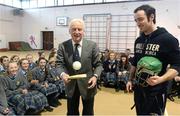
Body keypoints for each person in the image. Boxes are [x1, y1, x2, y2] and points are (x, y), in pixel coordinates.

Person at [126, 4, 180, 115]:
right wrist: (130, 80)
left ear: (151, 17)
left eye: (140, 19)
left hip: (157, 92)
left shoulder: (168, 39)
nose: (138, 23)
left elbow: (177, 66)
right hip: (139, 91)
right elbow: (135, 62)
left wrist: (161, 79)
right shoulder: (139, 40)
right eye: (136, 20)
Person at [56, 18, 103, 115]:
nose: (77, 32)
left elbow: (98, 65)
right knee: (72, 112)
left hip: (88, 84)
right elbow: (59, 64)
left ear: (83, 31)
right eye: (74, 29)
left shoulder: (92, 45)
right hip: (70, 84)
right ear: (69, 31)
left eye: (79, 29)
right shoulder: (62, 46)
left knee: (88, 112)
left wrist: (95, 76)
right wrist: (62, 74)